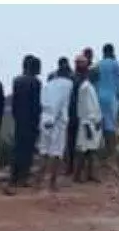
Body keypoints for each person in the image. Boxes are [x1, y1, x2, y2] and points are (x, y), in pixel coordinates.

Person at [38, 57, 73, 191]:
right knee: (56, 153)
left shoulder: (48, 84)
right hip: (58, 121)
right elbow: (60, 103)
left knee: (44, 151)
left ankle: (39, 181)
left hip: (45, 118)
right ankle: (52, 183)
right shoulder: (68, 85)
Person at [10, 55, 43, 187]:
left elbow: (15, 102)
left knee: (18, 148)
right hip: (30, 120)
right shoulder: (35, 82)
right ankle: (23, 177)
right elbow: (36, 104)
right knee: (28, 150)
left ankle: (14, 177)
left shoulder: (17, 81)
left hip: (19, 119)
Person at [95, 43, 119, 155]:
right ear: (112, 52)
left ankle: (97, 151)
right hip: (112, 98)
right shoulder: (116, 64)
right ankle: (110, 153)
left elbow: (91, 75)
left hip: (98, 98)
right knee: (110, 127)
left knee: (99, 124)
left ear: (103, 52)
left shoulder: (98, 64)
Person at [73, 67, 102, 183]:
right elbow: (83, 108)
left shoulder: (92, 87)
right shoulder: (85, 87)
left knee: (92, 150)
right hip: (87, 123)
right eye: (96, 74)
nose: (98, 77)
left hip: (94, 122)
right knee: (82, 151)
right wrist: (86, 125)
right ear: (90, 74)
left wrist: (99, 120)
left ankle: (90, 174)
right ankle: (77, 176)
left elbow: (95, 106)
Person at [66, 53, 90, 174]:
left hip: (78, 113)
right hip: (76, 113)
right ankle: (73, 168)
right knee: (76, 141)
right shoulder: (81, 79)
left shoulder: (75, 78)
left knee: (76, 142)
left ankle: (74, 168)